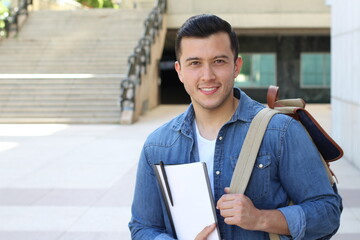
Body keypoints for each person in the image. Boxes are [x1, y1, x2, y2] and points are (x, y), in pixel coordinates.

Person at [129, 14, 342, 240]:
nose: (207, 76)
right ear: (179, 70)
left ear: (236, 66)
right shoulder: (157, 145)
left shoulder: (280, 132)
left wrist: (260, 218)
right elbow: (143, 228)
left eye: (219, 61)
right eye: (195, 63)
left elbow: (328, 213)